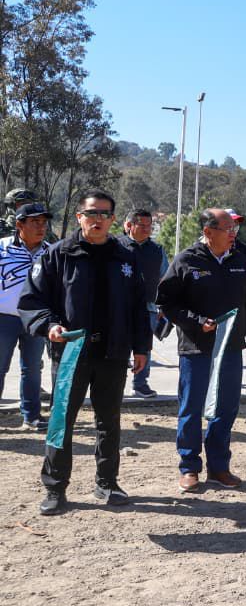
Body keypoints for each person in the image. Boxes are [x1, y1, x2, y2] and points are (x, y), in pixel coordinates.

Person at [22, 189, 151, 516]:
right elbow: (32, 301)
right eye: (91, 213)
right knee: (61, 421)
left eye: (105, 214)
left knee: (109, 420)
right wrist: (49, 325)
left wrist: (141, 347)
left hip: (113, 352)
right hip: (69, 355)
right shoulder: (57, 256)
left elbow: (138, 306)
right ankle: (54, 488)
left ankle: (107, 482)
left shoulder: (125, 257)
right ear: (79, 217)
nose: (98, 219)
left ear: (112, 220)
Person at [156, 208, 246, 493]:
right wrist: (196, 322)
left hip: (230, 350)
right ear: (208, 232)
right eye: (227, 228)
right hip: (196, 349)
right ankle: (189, 467)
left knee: (226, 408)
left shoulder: (240, 261)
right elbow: (166, 303)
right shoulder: (186, 261)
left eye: (234, 229)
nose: (233, 234)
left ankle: (219, 467)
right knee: (192, 407)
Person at [0, 202, 53, 430]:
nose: (41, 227)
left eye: (43, 222)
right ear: (19, 224)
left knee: (32, 368)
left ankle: (31, 415)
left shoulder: (51, 252)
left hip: (37, 321)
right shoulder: (2, 248)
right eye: (34, 222)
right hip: (5, 318)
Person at [117, 209, 168, 400]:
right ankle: (115, 384)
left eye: (150, 226)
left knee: (144, 347)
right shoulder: (115, 246)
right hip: (119, 307)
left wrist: (163, 305)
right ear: (129, 225)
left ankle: (140, 384)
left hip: (148, 307)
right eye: (142, 225)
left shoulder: (157, 250)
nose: (147, 229)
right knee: (118, 346)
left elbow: (165, 279)